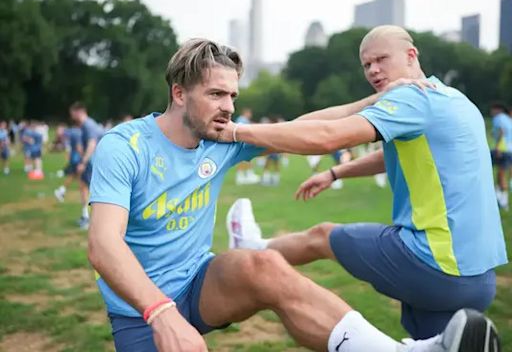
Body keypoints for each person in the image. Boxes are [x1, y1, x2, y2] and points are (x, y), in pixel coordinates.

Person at [86, 38, 499, 352]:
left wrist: (376, 100)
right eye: (216, 94)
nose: (228, 107)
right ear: (179, 93)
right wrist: (160, 313)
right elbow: (103, 246)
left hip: (198, 284)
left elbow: (304, 124)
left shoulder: (221, 138)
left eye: (233, 95)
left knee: (264, 265)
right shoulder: (125, 146)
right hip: (141, 309)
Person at [221, 26, 508, 340]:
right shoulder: (454, 99)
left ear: (411, 56)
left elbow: (328, 135)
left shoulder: (413, 98)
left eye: (381, 59)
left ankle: (253, 251)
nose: (373, 69)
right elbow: (396, 157)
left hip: (434, 263)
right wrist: (335, 173)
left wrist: (237, 133)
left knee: (323, 236)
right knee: (428, 347)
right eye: (367, 64)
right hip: (479, 280)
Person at [69, 102, 103, 229]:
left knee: (94, 192)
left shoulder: (88, 125)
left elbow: (92, 144)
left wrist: (83, 162)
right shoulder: (85, 125)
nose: (71, 116)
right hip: (91, 161)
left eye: (72, 113)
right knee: (83, 187)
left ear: (79, 111)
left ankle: (92, 220)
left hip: (93, 162)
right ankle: (85, 216)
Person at [489, 103, 512, 211]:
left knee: (485, 166)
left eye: (492, 110)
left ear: (497, 109)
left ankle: (498, 196)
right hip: (509, 150)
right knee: (501, 173)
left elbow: (502, 131)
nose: (491, 112)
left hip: (502, 149)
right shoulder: (508, 118)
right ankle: (502, 198)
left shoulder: (498, 118)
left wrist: (497, 146)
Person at [54, 124, 83, 203]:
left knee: (75, 176)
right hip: (77, 158)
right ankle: (61, 191)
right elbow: (78, 147)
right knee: (80, 178)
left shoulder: (70, 133)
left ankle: (61, 191)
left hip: (75, 158)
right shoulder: (73, 132)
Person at [234, 108, 260, 185]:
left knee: (247, 159)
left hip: (244, 143)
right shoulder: (242, 120)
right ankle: (242, 176)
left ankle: (247, 175)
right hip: (243, 143)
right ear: (246, 113)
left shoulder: (243, 120)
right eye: (249, 113)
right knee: (243, 160)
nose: (250, 115)